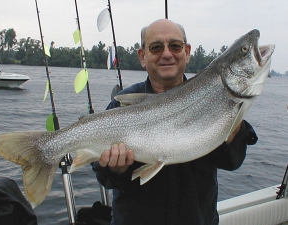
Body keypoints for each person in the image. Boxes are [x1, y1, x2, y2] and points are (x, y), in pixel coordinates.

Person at [92, 19, 258, 225]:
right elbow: (102, 175)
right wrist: (114, 169)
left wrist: (233, 128)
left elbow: (233, 162)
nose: (167, 54)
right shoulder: (122, 104)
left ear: (186, 52)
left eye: (175, 45)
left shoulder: (214, 97)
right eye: (156, 47)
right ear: (143, 57)